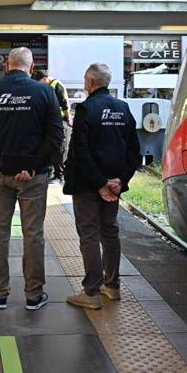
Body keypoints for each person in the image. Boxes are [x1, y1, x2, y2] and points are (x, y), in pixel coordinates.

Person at [0, 47, 63, 311]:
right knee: (33, 234)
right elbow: (55, 137)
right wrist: (31, 165)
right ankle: (33, 295)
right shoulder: (45, 91)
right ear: (32, 66)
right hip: (34, 177)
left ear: (7, 65)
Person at [63, 63, 141, 310]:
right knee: (110, 232)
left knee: (89, 234)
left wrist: (99, 183)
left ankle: (92, 292)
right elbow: (133, 151)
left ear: (90, 82)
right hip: (114, 184)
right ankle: (113, 286)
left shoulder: (87, 108)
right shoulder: (123, 108)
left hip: (89, 184)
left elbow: (80, 151)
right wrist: (120, 180)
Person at [33, 69, 72, 181]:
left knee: (59, 148)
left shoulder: (57, 85)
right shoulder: (45, 86)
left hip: (60, 120)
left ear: (45, 79)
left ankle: (60, 174)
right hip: (49, 121)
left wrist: (69, 118)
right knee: (48, 146)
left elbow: (65, 104)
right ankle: (51, 172)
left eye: (40, 82)